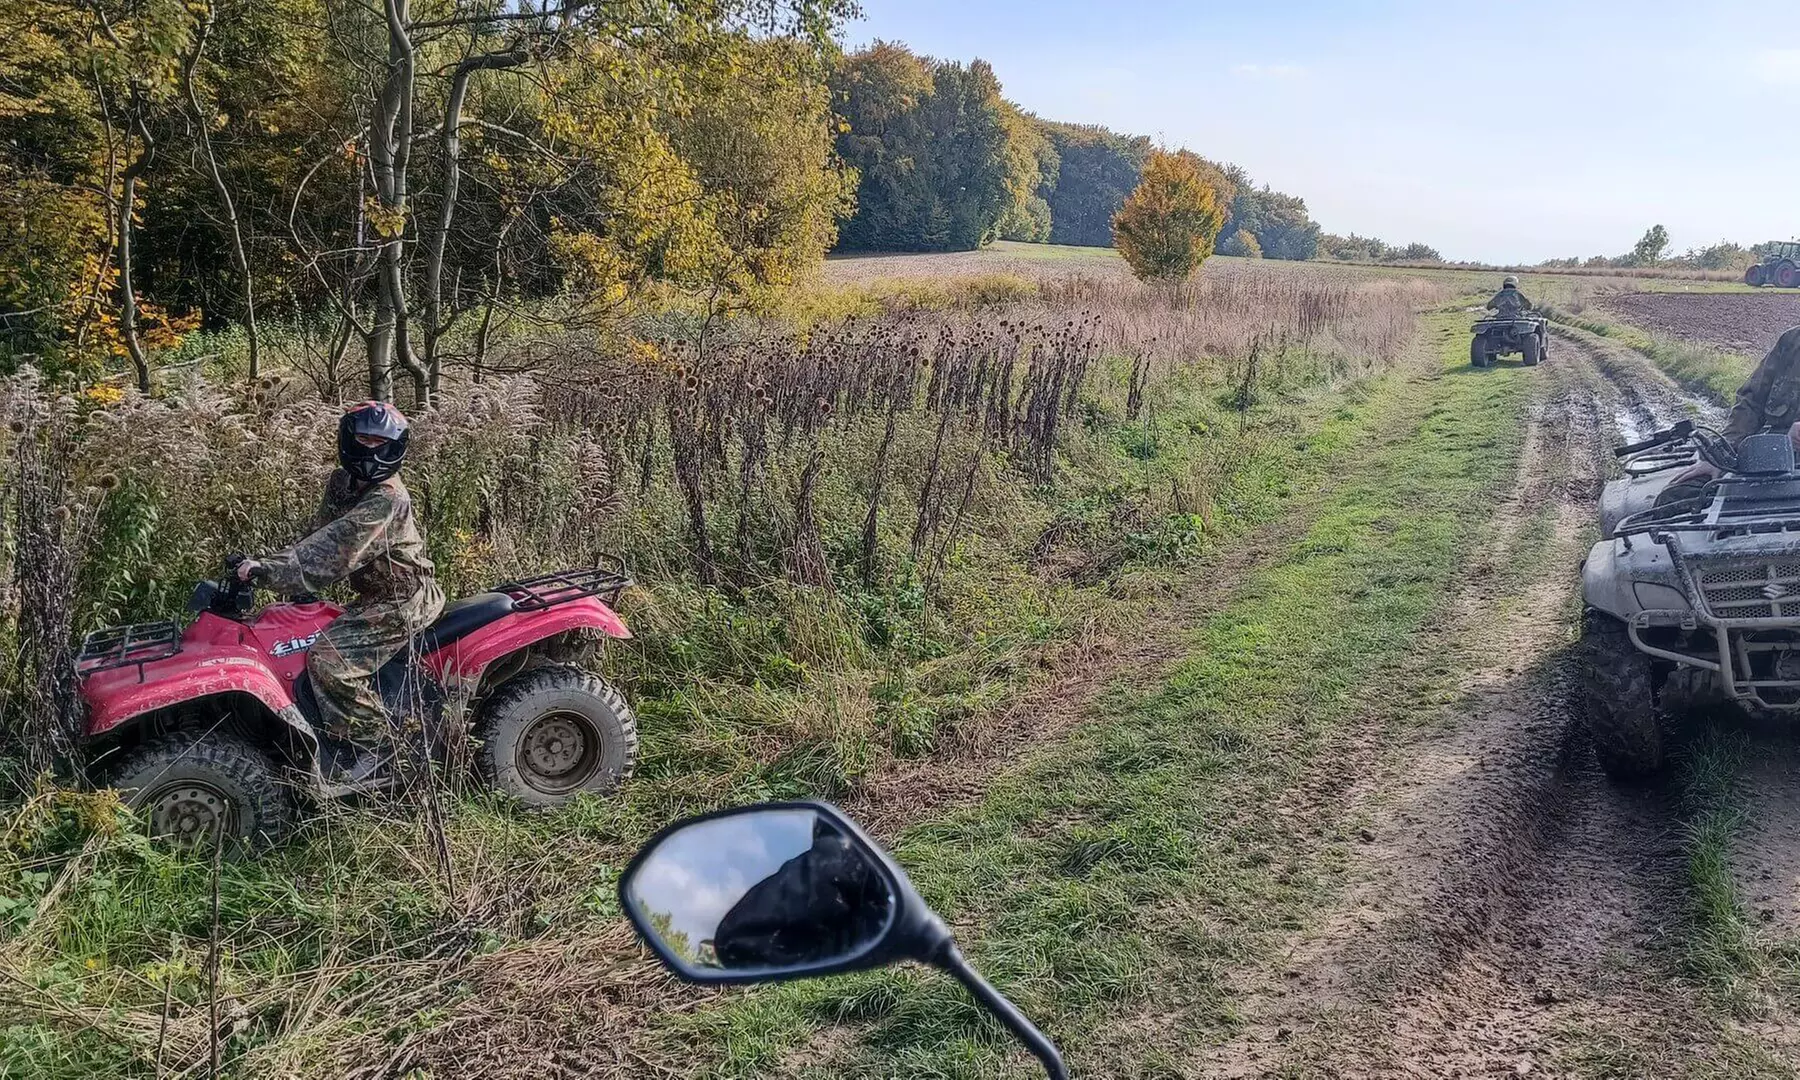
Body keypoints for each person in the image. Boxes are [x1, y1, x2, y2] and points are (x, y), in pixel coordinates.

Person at [237, 402, 445, 780]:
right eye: (363, 440)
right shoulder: (341, 482)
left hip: (402, 600)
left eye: (380, 442)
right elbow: (319, 536)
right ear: (348, 440)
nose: (371, 450)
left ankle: (384, 745)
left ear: (396, 447)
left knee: (330, 664)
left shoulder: (389, 498)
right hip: (371, 596)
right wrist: (272, 564)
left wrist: (267, 572)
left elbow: (339, 549)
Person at [712, 819, 892, 969]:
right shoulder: (864, 925)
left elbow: (736, 943)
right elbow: (737, 945)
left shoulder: (880, 921)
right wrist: (841, 857)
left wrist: (839, 855)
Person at [1664, 326, 1800, 495]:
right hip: (1772, 460)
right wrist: (1719, 457)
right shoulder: (1791, 341)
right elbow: (1751, 401)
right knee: (1677, 495)